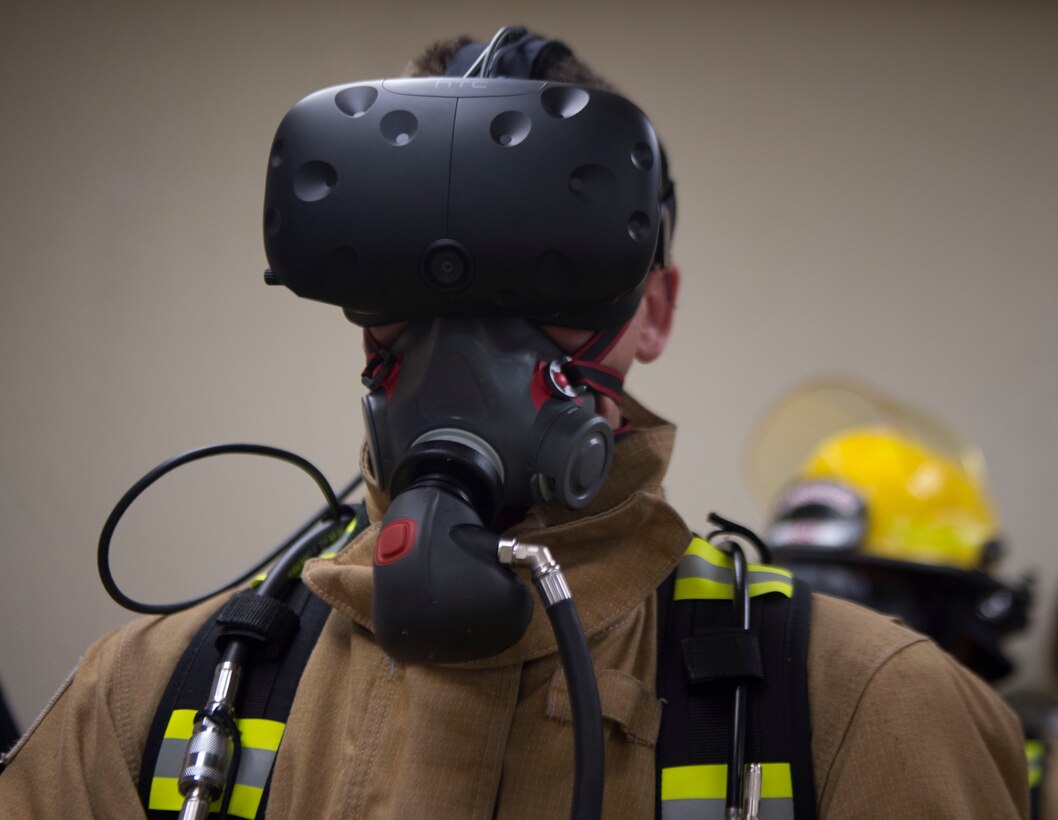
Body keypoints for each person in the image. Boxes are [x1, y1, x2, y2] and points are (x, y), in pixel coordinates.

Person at [0, 31, 1029, 819]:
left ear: (654, 309)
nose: (467, 346)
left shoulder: (863, 712)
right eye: (411, 277)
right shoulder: (139, 699)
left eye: (549, 281)